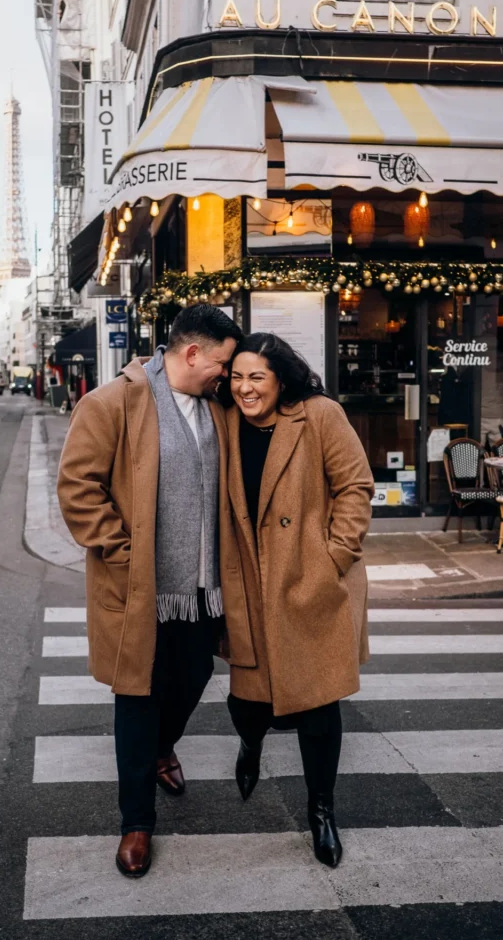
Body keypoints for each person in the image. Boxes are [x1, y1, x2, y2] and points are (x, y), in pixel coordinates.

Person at [57, 305, 244, 879]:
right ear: (191, 353)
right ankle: (136, 822)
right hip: (139, 589)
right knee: (136, 697)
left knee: (192, 679)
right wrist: (122, 550)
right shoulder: (113, 401)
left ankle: (165, 750)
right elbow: (77, 486)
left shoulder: (219, 408)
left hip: (201, 589)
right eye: (222, 363)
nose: (227, 375)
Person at [223, 332, 373, 867]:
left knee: (318, 709)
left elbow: (356, 487)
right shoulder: (224, 421)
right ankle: (250, 742)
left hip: (309, 583)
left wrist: (333, 558)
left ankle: (321, 811)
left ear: (280, 378)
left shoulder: (320, 415)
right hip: (249, 586)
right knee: (246, 702)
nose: (244, 388)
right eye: (237, 377)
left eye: (256, 377)